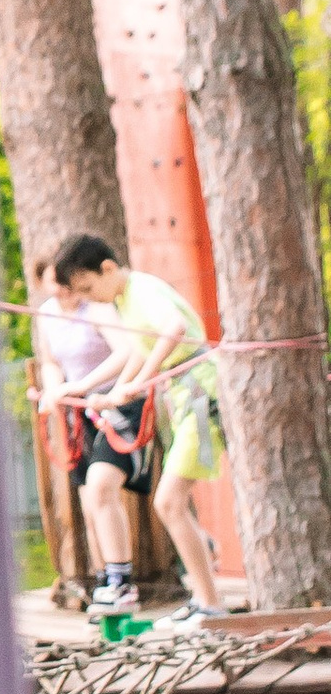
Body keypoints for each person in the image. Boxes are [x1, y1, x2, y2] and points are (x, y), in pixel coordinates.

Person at [49, 235, 227, 619]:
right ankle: (206, 600)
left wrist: (141, 380)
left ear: (108, 269)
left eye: (88, 287)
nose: (89, 297)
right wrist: (102, 392)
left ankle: (210, 603)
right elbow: (135, 352)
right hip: (181, 399)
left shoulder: (141, 290)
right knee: (173, 504)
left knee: (170, 502)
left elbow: (174, 327)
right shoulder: (123, 301)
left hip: (199, 393)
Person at [32, 250, 152, 611]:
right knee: (89, 499)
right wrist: (55, 392)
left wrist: (83, 386)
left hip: (119, 403)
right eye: (54, 289)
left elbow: (127, 352)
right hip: (81, 411)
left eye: (66, 287)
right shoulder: (46, 315)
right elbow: (50, 362)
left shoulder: (97, 308)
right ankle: (105, 580)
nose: (63, 295)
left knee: (102, 486)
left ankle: (121, 581)